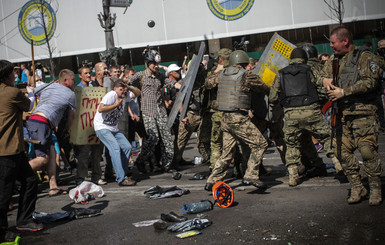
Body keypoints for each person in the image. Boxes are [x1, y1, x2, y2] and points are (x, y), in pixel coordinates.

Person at [321, 27, 382, 205]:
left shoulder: (365, 57)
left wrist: (344, 92)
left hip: (363, 113)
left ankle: (375, 188)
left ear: (345, 41)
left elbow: (370, 82)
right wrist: (323, 80)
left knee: (367, 151)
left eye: (333, 42)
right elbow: (319, 75)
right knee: (340, 151)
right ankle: (357, 186)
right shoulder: (334, 60)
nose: (331, 46)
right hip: (341, 115)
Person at [269, 48, 336, 187]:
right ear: (304, 58)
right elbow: (322, 89)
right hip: (312, 111)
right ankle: (340, 166)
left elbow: (272, 97)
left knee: (292, 145)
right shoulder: (310, 70)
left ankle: (293, 177)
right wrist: (318, 101)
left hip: (291, 115)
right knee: (326, 139)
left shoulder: (281, 73)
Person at [205, 50, 269, 191]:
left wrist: (218, 70)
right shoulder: (246, 75)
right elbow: (263, 87)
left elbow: (208, 83)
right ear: (243, 64)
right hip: (238, 118)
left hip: (225, 119)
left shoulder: (221, 74)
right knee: (260, 144)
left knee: (227, 153)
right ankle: (251, 175)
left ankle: (212, 180)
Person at [0, 60, 43, 242]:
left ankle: (24, 219)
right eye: (13, 74)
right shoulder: (12, 92)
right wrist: (31, 92)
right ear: (8, 75)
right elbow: (29, 106)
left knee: (30, 180)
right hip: (6, 151)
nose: (14, 76)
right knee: (4, 193)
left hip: (14, 150)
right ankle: (1, 231)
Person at [27, 69, 76, 196]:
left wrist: (31, 90)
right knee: (42, 159)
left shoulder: (48, 86)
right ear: (65, 80)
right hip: (41, 122)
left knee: (52, 153)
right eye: (72, 80)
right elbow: (71, 117)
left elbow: (31, 90)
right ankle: (14, 176)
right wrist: (67, 130)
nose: (74, 82)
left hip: (40, 123)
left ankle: (53, 186)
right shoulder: (70, 94)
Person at [130, 48, 180, 173]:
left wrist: (183, 86)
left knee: (168, 137)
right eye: (154, 64)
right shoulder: (140, 75)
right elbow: (127, 84)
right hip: (148, 111)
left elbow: (170, 83)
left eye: (158, 64)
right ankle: (140, 161)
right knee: (153, 138)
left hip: (161, 110)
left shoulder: (160, 76)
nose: (157, 66)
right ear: (147, 64)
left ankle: (167, 165)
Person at [93, 81, 140, 186]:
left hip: (113, 128)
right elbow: (101, 109)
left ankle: (123, 173)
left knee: (127, 147)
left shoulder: (126, 95)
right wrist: (116, 105)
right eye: (121, 89)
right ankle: (121, 178)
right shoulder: (111, 95)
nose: (123, 91)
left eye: (124, 89)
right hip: (102, 127)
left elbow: (138, 93)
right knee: (115, 148)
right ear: (115, 89)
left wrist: (130, 87)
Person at [75, 67, 106, 186]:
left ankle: (96, 177)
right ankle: (81, 178)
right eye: (85, 73)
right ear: (80, 76)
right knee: (84, 154)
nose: (88, 75)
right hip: (84, 127)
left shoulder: (93, 88)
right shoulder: (78, 89)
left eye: (89, 73)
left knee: (97, 153)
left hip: (96, 125)